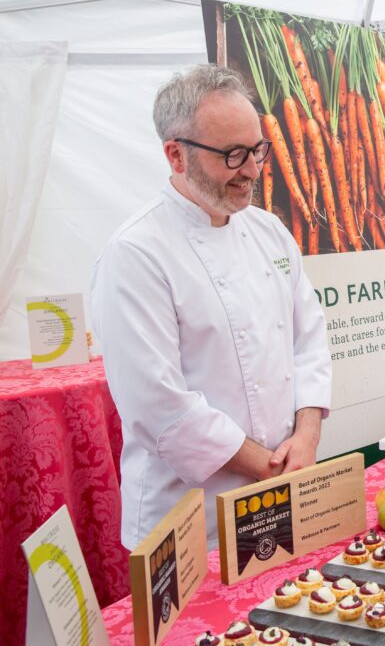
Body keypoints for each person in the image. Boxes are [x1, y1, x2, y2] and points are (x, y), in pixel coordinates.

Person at [89, 64, 332, 550]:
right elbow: (160, 406)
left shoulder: (270, 233)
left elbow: (309, 341)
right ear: (175, 155)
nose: (252, 169)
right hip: (190, 516)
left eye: (257, 149)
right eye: (233, 155)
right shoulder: (137, 253)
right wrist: (272, 467)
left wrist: (305, 440)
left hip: (280, 491)